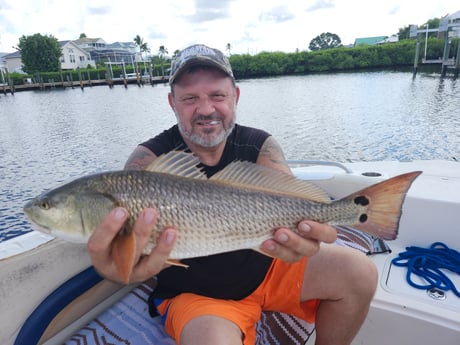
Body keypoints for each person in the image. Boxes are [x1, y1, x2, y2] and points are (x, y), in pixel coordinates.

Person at [88, 44, 378, 345]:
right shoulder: (147, 162)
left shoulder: (259, 145)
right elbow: (128, 247)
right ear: (172, 102)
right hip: (201, 294)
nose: (205, 109)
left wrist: (308, 232)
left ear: (235, 96)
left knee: (360, 273)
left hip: (270, 264)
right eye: (189, 99)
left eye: (217, 95)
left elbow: (294, 202)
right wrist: (121, 267)